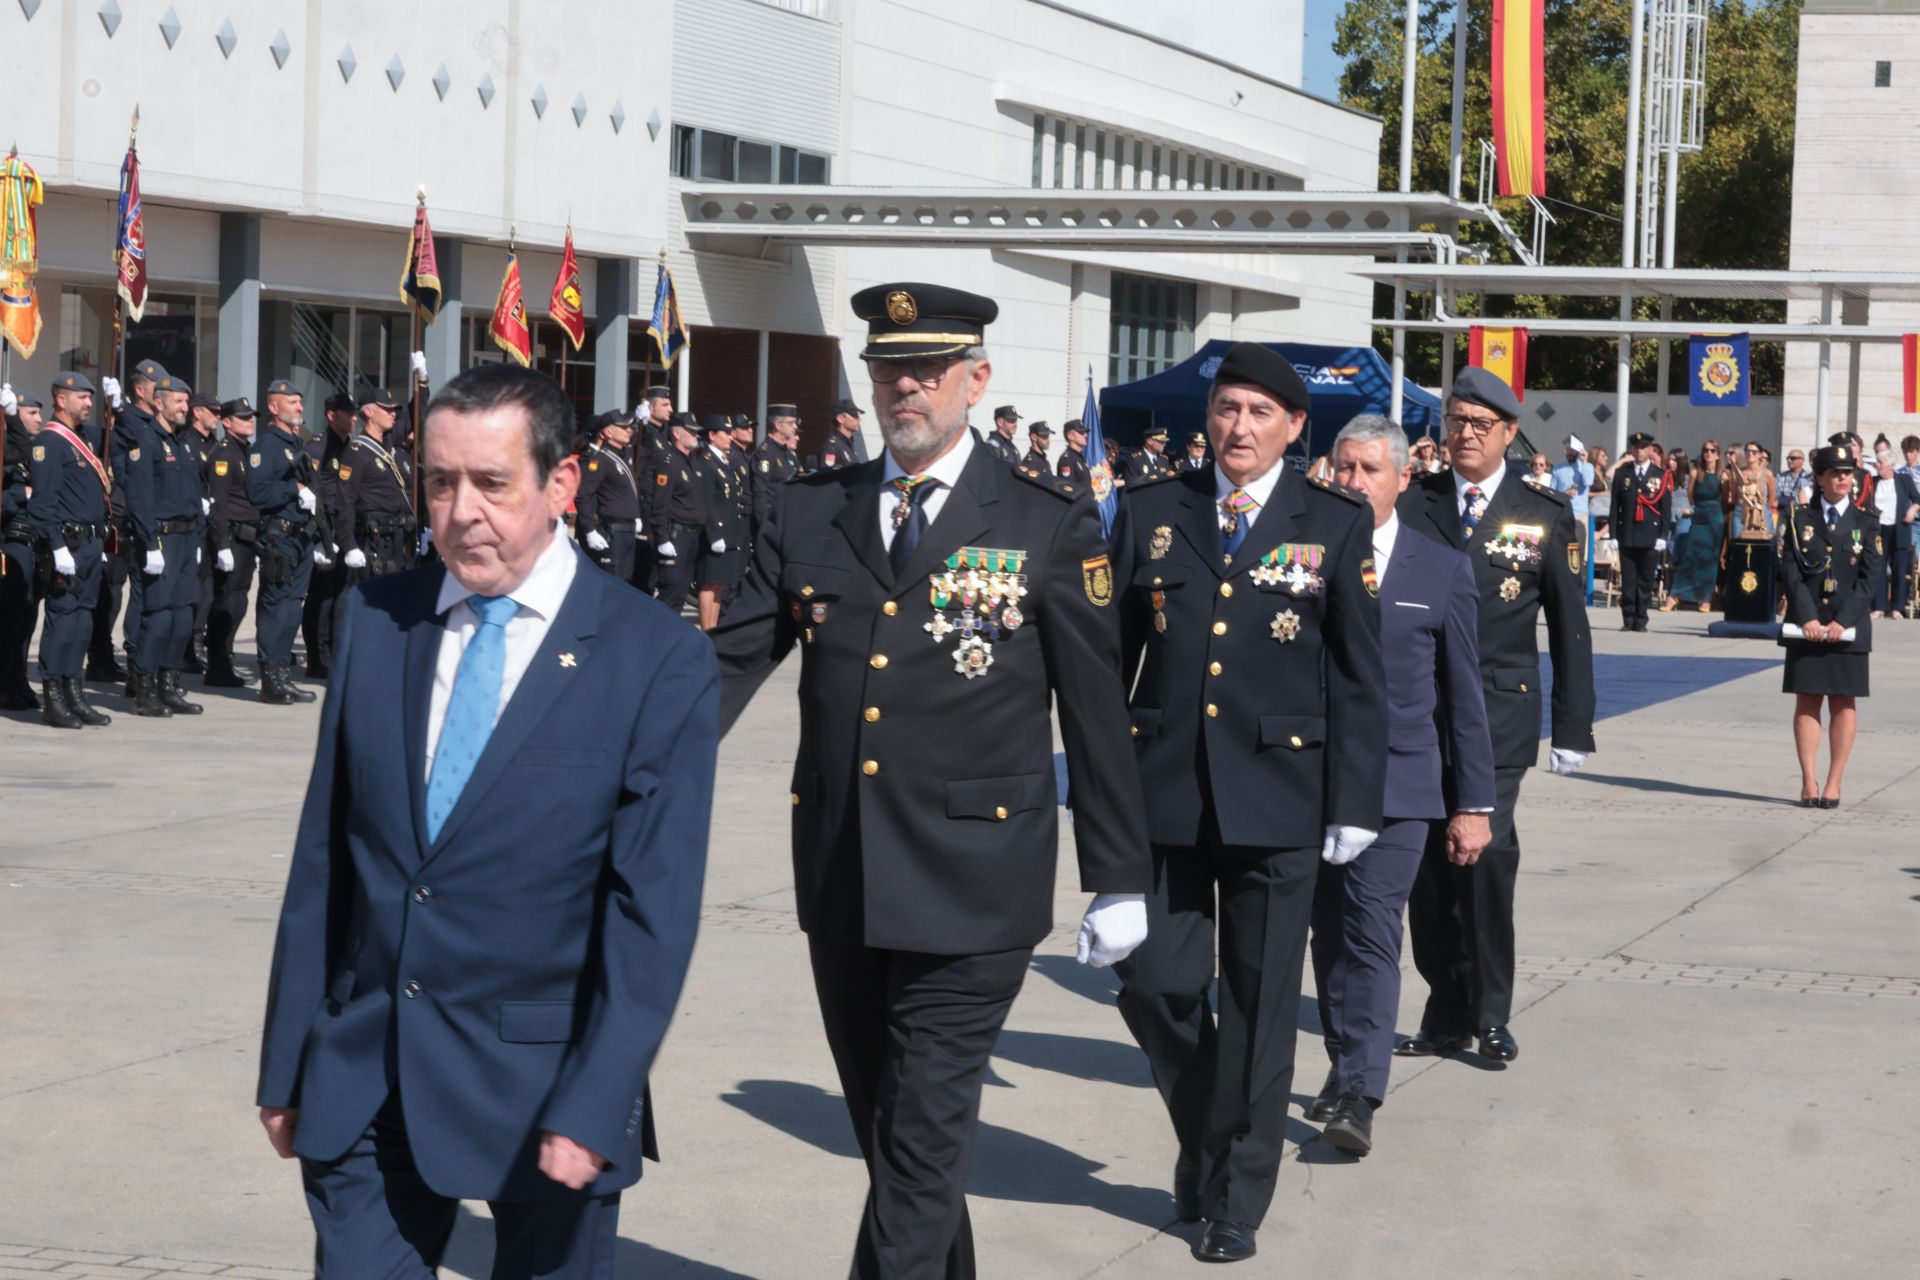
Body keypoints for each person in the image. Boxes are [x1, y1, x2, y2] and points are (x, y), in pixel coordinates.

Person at [710, 282, 1149, 1279]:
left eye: (927, 369)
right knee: (897, 1139)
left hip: (974, 880)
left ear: (976, 378)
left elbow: (1094, 711)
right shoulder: (812, 508)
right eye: (887, 369)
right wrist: (616, 762)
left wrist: (1118, 872)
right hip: (843, 872)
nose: (904, 387)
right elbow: (728, 663)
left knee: (918, 1135)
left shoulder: (1044, 520)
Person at [256, 362, 715, 1278]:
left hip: (546, 1089)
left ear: (562, 483)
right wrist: (287, 1058)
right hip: (367, 1068)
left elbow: (650, 913)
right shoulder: (376, 622)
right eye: (439, 481)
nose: (461, 510)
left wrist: (600, 1094)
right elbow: (327, 856)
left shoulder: (652, 658)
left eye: (491, 483)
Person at [1109, 342, 1384, 1263]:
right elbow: (1106, 665)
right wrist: (1097, 795)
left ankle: (1236, 1195)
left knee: (1264, 1007)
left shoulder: (1334, 523)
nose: (1239, 427)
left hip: (1281, 799)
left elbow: (1357, 677)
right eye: (1228, 408)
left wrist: (1355, 800)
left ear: (1296, 428)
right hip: (1167, 795)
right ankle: (1205, 1131)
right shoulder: (1153, 511)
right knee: (1155, 986)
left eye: (1261, 414)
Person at [1397, 366, 1594, 1065]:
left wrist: (1573, 726)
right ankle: (1444, 1006)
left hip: (1500, 715)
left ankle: (1489, 1011)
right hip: (1422, 714)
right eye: (1455, 421)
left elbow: (1570, 628)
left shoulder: (1540, 511)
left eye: (1480, 425)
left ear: (1510, 434)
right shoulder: (1414, 504)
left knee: (1483, 856)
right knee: (1426, 868)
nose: (1465, 435)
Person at [1312, 415, 1493, 1157]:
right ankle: (1343, 1056)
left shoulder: (1438, 567)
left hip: (1399, 785)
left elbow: (1465, 698)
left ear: (1401, 478)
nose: (1353, 483)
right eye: (1343, 469)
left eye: (1368, 471)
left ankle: (1362, 1089)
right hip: (1310, 782)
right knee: (1325, 940)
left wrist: (1473, 804)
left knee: (1371, 933)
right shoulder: (1302, 556)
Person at [1779, 444, 1884, 807]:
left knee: (1843, 702)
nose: (1843, 478)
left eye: (1848, 472)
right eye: (1835, 472)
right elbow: (1791, 572)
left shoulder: (1867, 521)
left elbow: (1871, 580)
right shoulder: (1798, 519)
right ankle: (1808, 781)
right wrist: (1807, 616)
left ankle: (1833, 782)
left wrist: (1843, 620)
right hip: (1806, 624)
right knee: (1807, 700)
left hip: (1848, 626)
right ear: (1820, 477)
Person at [25, 372, 115, 729]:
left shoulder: (84, 440)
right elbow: (43, 505)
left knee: (82, 621)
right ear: (62, 400)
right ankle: (54, 697)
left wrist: (118, 407)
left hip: (91, 544)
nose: (90, 403)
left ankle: (74, 692)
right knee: (62, 621)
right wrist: (58, 546)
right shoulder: (49, 443)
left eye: (92, 397)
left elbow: (120, 441)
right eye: (83, 397)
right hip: (68, 545)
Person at [120, 373, 205, 717]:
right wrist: (149, 542)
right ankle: (146, 688)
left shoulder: (184, 442)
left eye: (187, 401)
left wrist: (197, 537)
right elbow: (139, 498)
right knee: (157, 617)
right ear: (159, 403)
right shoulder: (146, 440)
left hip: (186, 538)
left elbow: (194, 494)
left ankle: (169, 685)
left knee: (183, 617)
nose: (185, 407)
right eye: (179, 401)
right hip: (162, 539)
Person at [246, 378, 325, 706]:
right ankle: (271, 679)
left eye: (300, 402)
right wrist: (293, 490)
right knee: (277, 607)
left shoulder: (296, 445)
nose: (300, 408)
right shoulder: (267, 445)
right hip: (279, 538)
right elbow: (257, 493)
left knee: (292, 608)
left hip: (301, 538)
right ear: (274, 407)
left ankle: (282, 674)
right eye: (293, 402)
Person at [99, 358, 168, 691]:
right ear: (140, 390)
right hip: (124, 518)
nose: (164, 393)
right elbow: (133, 436)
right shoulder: (133, 421)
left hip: (149, 516)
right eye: (159, 388)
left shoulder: (155, 422)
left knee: (144, 593)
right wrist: (121, 409)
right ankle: (126, 656)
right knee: (116, 591)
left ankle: (139, 661)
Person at [335, 388, 418, 588]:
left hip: (400, 538)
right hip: (375, 541)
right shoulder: (357, 453)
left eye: (394, 410)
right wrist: (349, 545)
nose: (393, 413)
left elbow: (416, 414)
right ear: (369, 412)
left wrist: (421, 383)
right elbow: (345, 501)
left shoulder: (391, 447)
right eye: (386, 409)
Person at [205, 398, 261, 688]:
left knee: (238, 601)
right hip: (233, 539)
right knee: (225, 602)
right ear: (227, 422)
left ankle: (224, 658)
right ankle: (217, 663)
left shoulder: (245, 451)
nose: (250, 421)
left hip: (248, 539)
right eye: (243, 417)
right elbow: (219, 504)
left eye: (251, 417)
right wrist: (222, 544)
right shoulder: (224, 454)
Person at [301, 391, 358, 679]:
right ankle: (316, 654)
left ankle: (335, 649)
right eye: (348, 413)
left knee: (341, 593)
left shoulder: (352, 449)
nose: (353, 418)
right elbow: (311, 492)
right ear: (331, 415)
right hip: (323, 531)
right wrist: (318, 538)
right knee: (321, 595)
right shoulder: (317, 449)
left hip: (344, 528)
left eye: (355, 413)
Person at [1, 388, 47, 711]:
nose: (39, 419)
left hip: (32, 544)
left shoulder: (29, 453)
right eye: (31, 413)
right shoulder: (5, 453)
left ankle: (18, 680)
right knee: (9, 622)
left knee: (26, 620)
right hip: (10, 543)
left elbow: (23, 453)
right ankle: (6, 685)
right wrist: (22, 495)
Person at [647, 414, 707, 614]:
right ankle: (656, 640)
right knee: (670, 592)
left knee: (682, 593)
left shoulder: (692, 462)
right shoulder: (669, 462)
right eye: (690, 432)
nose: (695, 435)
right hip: (676, 535)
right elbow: (660, 504)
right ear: (676, 434)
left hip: (691, 536)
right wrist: (662, 538)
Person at [1609, 431, 1669, 631]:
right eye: (1635, 448)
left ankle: (1641, 619)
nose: (1639, 451)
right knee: (1628, 580)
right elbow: (1615, 506)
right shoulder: (1623, 473)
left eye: (1643, 447)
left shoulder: (1660, 475)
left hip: (1649, 535)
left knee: (1645, 580)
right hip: (1627, 533)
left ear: (1651, 449)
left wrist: (1662, 535)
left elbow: (1664, 509)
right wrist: (1613, 534)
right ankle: (1628, 619)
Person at [180, 392, 222, 674]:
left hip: (212, 525)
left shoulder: (215, 444)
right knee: (194, 589)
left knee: (208, 589)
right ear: (198, 412)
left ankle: (197, 641)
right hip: (193, 524)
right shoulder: (187, 442)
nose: (218, 416)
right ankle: (187, 647)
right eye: (213, 411)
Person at [575, 410, 643, 583]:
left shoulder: (622, 455)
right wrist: (589, 529)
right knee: (611, 582)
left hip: (627, 530)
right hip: (612, 531)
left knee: (624, 584)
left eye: (629, 427)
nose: (629, 430)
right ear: (607, 432)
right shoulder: (600, 459)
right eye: (623, 427)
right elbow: (583, 494)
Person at [693, 415, 746, 630]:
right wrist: (714, 534)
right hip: (714, 534)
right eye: (725, 432)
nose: (730, 437)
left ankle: (713, 629)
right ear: (712, 435)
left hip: (728, 533)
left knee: (719, 584)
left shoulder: (723, 461)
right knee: (709, 584)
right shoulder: (706, 462)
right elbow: (707, 502)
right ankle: (707, 630)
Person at [1666, 439, 1726, 612]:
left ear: (1717, 454)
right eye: (1706, 450)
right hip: (1699, 515)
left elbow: (1725, 498)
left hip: (1715, 518)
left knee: (1710, 559)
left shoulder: (1723, 475)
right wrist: (1698, 509)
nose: (1709, 454)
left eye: (1713, 451)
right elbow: (1691, 496)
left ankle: (1705, 599)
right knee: (1690, 556)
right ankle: (1674, 596)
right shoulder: (1695, 473)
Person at [750, 403, 801, 535]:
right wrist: (764, 525)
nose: (795, 427)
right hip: (773, 521)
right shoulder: (766, 454)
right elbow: (760, 491)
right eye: (791, 423)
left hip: (787, 518)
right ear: (778, 425)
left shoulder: (786, 453)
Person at [818, 399, 866, 470]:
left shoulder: (847, 444)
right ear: (840, 419)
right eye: (854, 415)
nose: (859, 419)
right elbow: (827, 477)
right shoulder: (832, 447)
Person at [1056, 418, 1092, 485]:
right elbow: (1068, 489)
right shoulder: (1067, 459)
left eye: (1085, 432)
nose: (1085, 435)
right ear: (1070, 436)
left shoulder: (1079, 458)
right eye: (1081, 432)